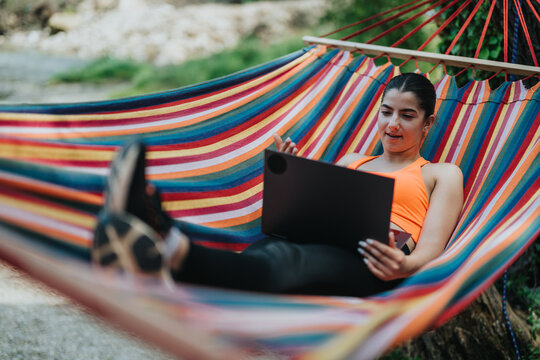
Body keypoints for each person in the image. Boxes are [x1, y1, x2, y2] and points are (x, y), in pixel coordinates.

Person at [92, 73, 463, 297]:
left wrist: (405, 266)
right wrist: (289, 173)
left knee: (288, 259)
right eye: (386, 112)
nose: (392, 124)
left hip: (377, 266)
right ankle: (159, 238)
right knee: (269, 247)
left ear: (427, 124)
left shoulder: (441, 174)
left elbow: (432, 247)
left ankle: (166, 242)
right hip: (324, 243)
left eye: (407, 115)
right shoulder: (353, 161)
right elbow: (319, 213)